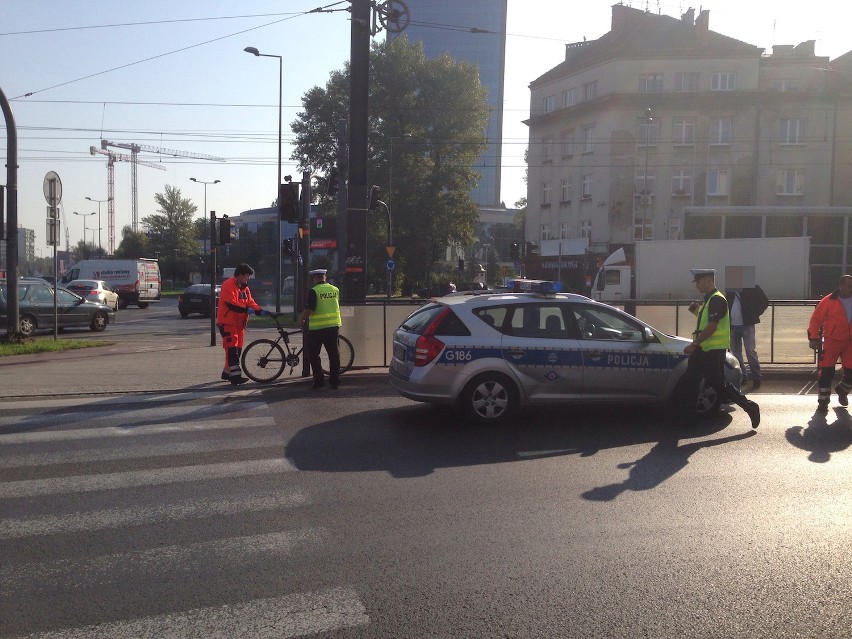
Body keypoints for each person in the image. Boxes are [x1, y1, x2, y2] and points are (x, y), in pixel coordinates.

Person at [677, 268, 760, 428]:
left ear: (708, 280)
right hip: (705, 349)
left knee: (715, 385)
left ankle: (750, 406)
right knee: (692, 381)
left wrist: (694, 344)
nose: (697, 286)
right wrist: (697, 312)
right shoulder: (710, 299)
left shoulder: (717, 299)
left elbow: (713, 326)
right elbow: (709, 321)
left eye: (698, 282)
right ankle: (687, 416)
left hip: (712, 351)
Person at [216, 263, 275, 385]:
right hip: (228, 322)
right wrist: (246, 309)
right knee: (232, 349)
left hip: (239, 324)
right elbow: (231, 303)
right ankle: (235, 377)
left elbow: (251, 302)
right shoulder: (228, 285)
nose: (248, 278)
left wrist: (260, 310)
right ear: (240, 275)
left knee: (236, 349)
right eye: (247, 276)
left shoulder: (244, 288)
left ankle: (227, 372)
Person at [807, 274, 852, 412]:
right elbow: (815, 320)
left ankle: (842, 391)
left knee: (851, 372)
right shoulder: (828, 300)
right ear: (841, 286)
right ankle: (823, 401)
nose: (851, 288)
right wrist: (813, 338)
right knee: (826, 372)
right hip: (832, 342)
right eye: (849, 285)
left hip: (850, 342)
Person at [299, 268, 342, 389]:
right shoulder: (335, 290)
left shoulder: (314, 291)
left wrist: (302, 319)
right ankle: (335, 381)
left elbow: (310, 309)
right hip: (333, 327)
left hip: (317, 328)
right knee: (334, 355)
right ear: (325, 277)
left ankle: (319, 381)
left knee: (313, 354)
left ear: (315, 278)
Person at [726, 284, 770, 389]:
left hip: (747, 324)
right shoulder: (730, 290)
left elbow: (764, 302)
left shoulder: (752, 287)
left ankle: (756, 377)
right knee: (736, 352)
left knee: (750, 351)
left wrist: (755, 314)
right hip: (733, 326)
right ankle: (742, 376)